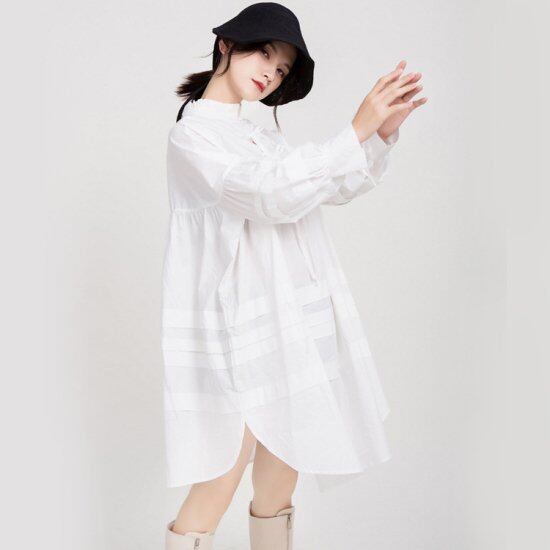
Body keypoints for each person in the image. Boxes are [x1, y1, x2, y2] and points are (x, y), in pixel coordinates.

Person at [162, 2, 427, 549]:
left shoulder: (261, 139)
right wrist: (354, 130)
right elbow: (270, 195)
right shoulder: (194, 137)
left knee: (282, 474)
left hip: (289, 324)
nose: (271, 72)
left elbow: (329, 188)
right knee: (219, 476)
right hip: (237, 331)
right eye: (264, 53)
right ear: (226, 45)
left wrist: (377, 137)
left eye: (282, 68)